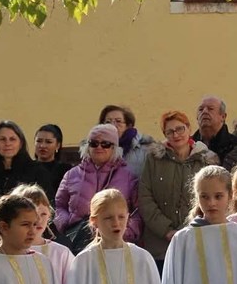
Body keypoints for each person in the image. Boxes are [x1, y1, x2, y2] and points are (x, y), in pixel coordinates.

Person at [138, 111, 218, 272]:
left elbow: (212, 199)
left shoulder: (205, 160)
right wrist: (167, 231)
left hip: (196, 240)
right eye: (170, 131)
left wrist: (186, 230)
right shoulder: (154, 160)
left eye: (180, 129)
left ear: (189, 128)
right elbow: (145, 198)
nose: (176, 134)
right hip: (160, 245)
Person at [54, 124, 142, 252]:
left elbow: (138, 211)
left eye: (105, 144)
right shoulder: (72, 175)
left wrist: (125, 233)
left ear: (114, 148)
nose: (99, 147)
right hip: (78, 242)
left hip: (116, 243)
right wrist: (66, 224)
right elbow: (59, 205)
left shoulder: (128, 176)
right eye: (94, 143)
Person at [0, 121, 51, 251]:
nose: (7, 143)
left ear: (21, 142)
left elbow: (46, 204)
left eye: (12, 139)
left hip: (30, 240)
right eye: (2, 139)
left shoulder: (37, 172)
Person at [12, 184, 75, 284]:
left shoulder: (61, 253)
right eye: (33, 214)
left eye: (43, 214)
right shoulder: (7, 252)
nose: (39, 220)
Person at [100, 105, 155, 178]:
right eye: (108, 122)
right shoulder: (95, 148)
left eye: (118, 121)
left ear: (128, 125)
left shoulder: (146, 149)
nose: (112, 125)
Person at [193, 96, 237, 162]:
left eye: (210, 109)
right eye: (201, 109)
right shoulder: (187, 145)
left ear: (223, 116)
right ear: (197, 117)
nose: (204, 111)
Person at [33, 124, 71, 201]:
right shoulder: (27, 168)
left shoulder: (66, 170)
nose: (42, 145)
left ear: (57, 145)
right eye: (39, 141)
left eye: (48, 142)